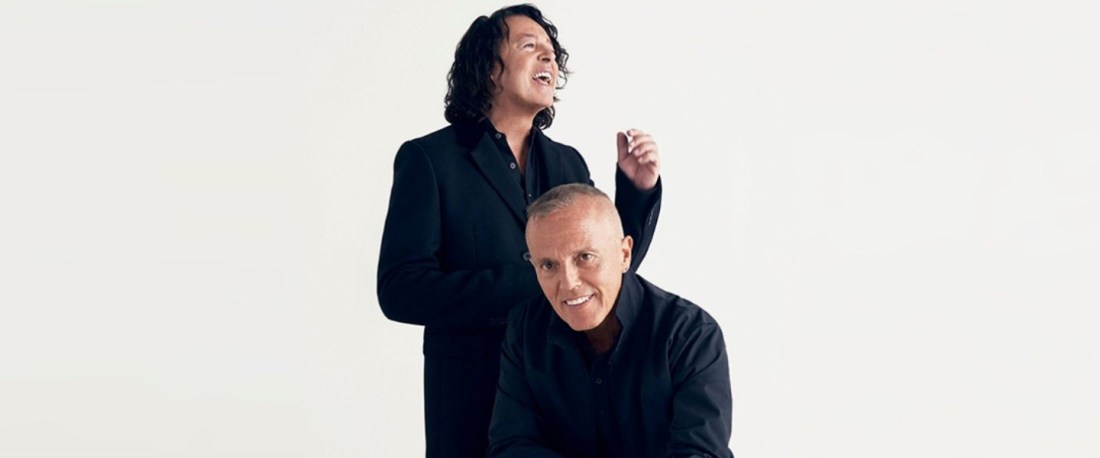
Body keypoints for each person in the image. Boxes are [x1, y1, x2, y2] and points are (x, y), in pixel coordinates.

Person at [377, 4, 663, 457]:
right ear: (490, 68)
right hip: (473, 401)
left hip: (563, 393)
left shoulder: (567, 163)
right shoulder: (429, 159)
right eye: (530, 46)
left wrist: (636, 191)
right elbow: (400, 290)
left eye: (552, 51)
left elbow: (608, 270)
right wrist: (533, 281)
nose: (548, 58)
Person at [488, 184, 732, 458]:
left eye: (585, 257)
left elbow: (700, 453)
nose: (568, 283)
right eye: (548, 265)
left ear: (624, 254)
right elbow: (511, 445)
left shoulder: (690, 334)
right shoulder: (525, 329)